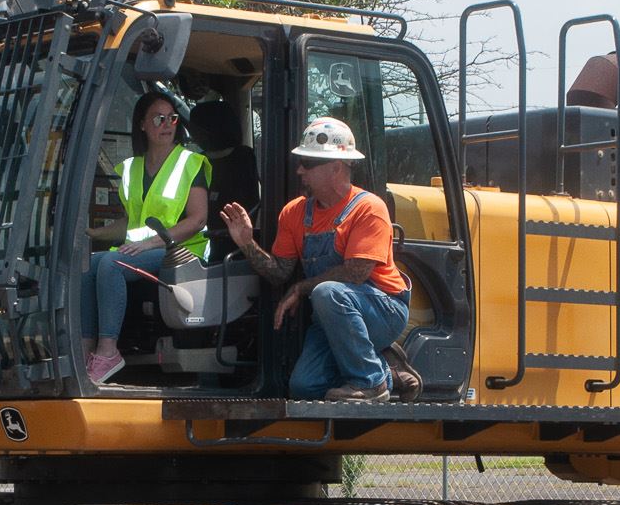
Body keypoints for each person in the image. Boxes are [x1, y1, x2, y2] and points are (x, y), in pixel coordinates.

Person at [220, 117, 412, 401]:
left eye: (307, 163)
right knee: (304, 387)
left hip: (384, 309)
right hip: (332, 314)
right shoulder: (294, 213)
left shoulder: (369, 208)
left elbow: (357, 273)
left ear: (336, 167)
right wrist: (247, 243)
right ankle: (387, 370)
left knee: (327, 292)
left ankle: (370, 382)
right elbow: (278, 273)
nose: (299, 170)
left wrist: (301, 288)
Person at [82, 90, 212, 384]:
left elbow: (198, 219)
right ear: (142, 124)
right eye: (158, 118)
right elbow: (132, 220)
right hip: (145, 250)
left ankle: (108, 352)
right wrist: (93, 233)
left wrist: (151, 243)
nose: (167, 124)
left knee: (113, 264)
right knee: (88, 264)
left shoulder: (190, 163)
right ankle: (84, 352)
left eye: (172, 118)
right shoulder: (133, 167)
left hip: (180, 251)